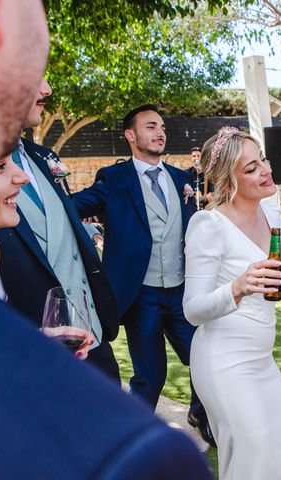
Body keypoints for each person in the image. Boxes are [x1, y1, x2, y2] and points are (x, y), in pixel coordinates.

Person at [0, 1, 210, 478]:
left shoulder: (47, 160)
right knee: (147, 378)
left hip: (92, 322)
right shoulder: (133, 457)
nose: (45, 88)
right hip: (113, 306)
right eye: (39, 71)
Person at [73, 104, 214, 446]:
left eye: (162, 126)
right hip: (141, 296)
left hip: (184, 293)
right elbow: (70, 209)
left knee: (205, 358)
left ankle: (200, 412)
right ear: (131, 135)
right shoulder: (114, 179)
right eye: (151, 126)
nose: (160, 131)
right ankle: (131, 438)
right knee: (150, 376)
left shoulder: (184, 180)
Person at [183, 126, 281, 480]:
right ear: (229, 180)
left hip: (262, 360)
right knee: (253, 457)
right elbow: (192, 310)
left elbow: (280, 276)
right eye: (251, 168)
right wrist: (237, 288)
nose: (266, 170)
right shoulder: (208, 224)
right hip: (223, 362)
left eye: (263, 160)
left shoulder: (271, 215)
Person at [0, 78, 121, 381]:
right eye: (34, 76)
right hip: (31, 353)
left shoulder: (42, 156)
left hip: (90, 334)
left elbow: (63, 225)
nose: (47, 89)